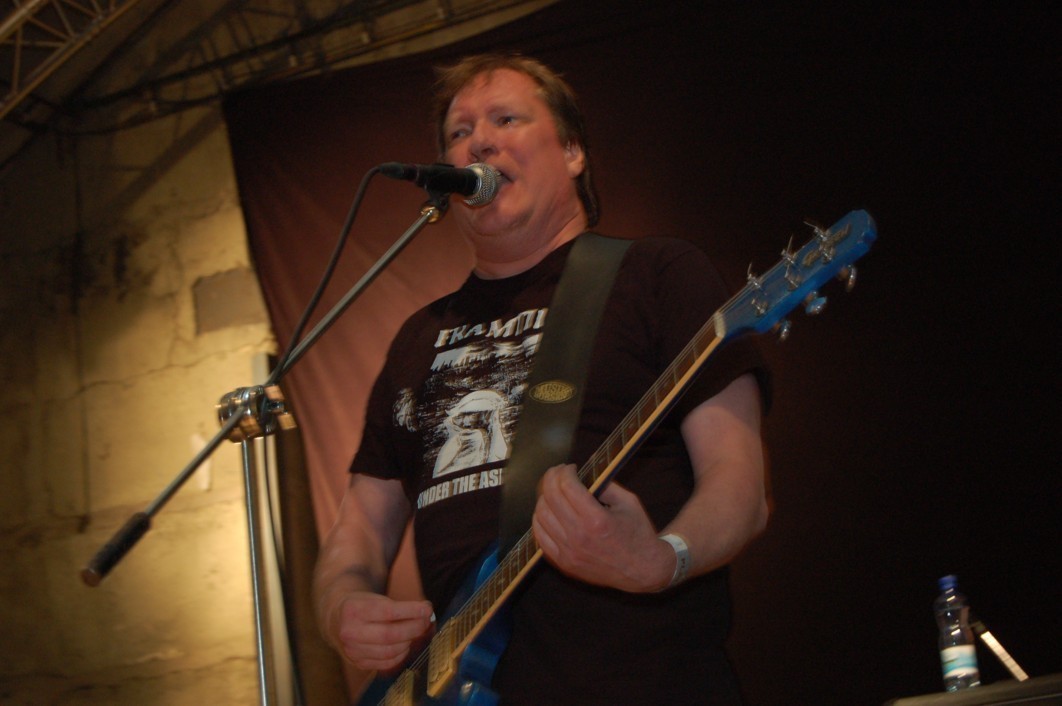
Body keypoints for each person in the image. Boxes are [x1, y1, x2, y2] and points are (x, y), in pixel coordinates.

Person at [313, 53, 770, 705]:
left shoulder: (655, 276)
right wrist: (343, 606)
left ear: (573, 151)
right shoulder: (419, 338)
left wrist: (662, 557)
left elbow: (740, 485)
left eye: (506, 119)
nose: (479, 142)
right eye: (460, 132)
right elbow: (360, 523)